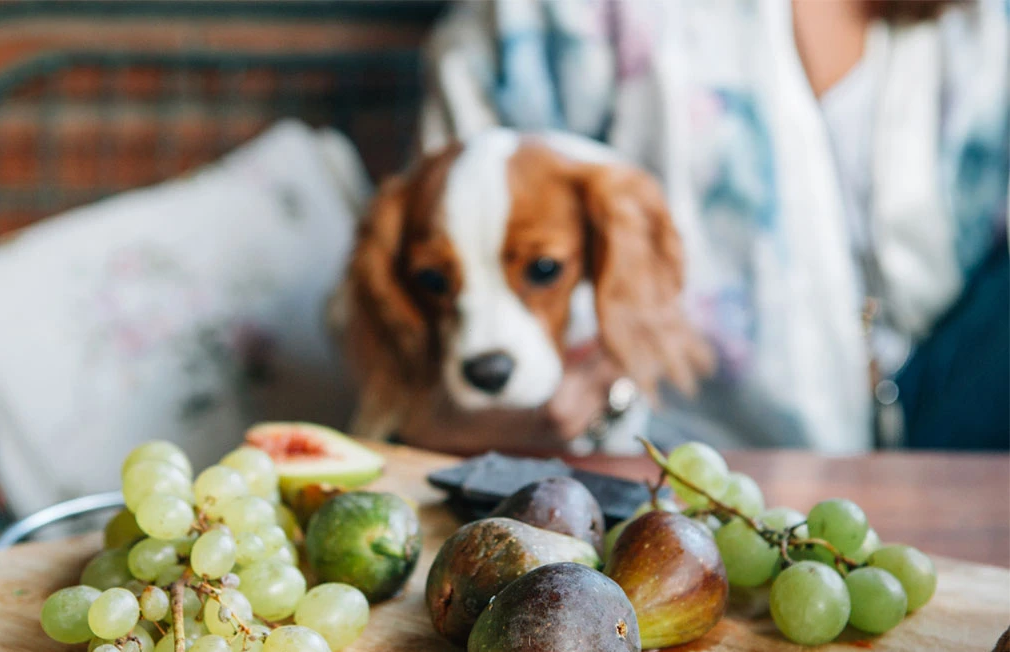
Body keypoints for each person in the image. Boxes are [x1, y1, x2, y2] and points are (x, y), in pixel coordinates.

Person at [412, 0, 1009, 453]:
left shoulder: (984, 24)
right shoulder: (536, 23)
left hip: (944, 391)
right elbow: (449, 294)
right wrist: (598, 384)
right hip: (683, 439)